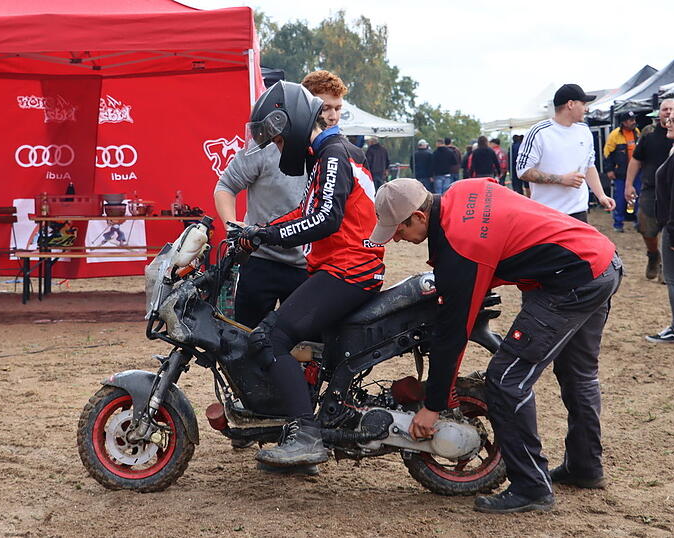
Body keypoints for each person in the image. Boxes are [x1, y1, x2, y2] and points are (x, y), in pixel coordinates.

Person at [370, 177, 622, 514]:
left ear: (419, 216)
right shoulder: (462, 190)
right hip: (600, 259)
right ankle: (585, 466)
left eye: (398, 229)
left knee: (506, 381)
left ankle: (531, 487)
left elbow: (453, 332)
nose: (397, 238)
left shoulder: (462, 246)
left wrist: (433, 405)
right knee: (579, 375)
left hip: (571, 282)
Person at [237, 81, 383, 468]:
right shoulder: (328, 155)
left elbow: (324, 219)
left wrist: (268, 234)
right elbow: (306, 209)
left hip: (349, 269)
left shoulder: (333, 155)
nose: (281, 150)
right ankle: (299, 422)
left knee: (268, 339)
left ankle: (306, 436)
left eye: (280, 141)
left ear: (294, 124)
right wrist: (253, 233)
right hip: (342, 268)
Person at [214, 71, 351, 329]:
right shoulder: (265, 145)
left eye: (338, 108)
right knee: (243, 337)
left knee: (303, 345)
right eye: (324, 108)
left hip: (308, 266)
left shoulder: (335, 153)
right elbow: (225, 186)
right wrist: (233, 225)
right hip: (261, 259)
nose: (332, 115)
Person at [516, 83, 615, 221]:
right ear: (570, 104)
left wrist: (601, 196)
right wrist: (562, 179)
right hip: (547, 214)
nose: (586, 109)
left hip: (579, 212)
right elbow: (522, 171)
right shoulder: (539, 132)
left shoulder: (584, 131)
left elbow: (589, 166)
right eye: (584, 103)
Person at [625, 99, 674, 280]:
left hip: (672, 191)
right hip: (650, 189)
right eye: (665, 109)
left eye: (671, 109)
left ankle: (665, 267)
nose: (668, 113)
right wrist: (629, 184)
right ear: (658, 113)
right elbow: (636, 159)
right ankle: (653, 255)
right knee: (646, 227)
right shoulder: (649, 133)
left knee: (670, 229)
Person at [645, 112, 674, 343]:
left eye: (673, 120)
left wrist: (673, 235)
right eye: (667, 119)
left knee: (673, 279)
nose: (667, 122)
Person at [604, 111, 641, 232]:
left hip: (636, 173)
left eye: (634, 119)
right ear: (624, 122)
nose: (633, 122)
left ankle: (637, 221)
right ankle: (618, 223)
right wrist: (609, 170)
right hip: (620, 173)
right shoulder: (615, 135)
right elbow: (607, 154)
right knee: (619, 199)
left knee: (636, 198)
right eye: (631, 120)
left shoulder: (637, 133)